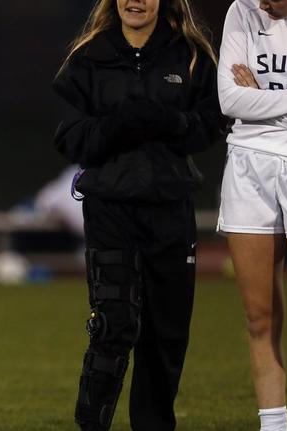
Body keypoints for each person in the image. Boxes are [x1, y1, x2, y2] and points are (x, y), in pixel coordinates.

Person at [52, 0, 224, 429]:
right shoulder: (86, 59)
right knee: (113, 326)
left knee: (167, 333)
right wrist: (119, 125)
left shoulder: (191, 55)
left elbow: (210, 125)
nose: (136, 1)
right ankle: (92, 424)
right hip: (110, 208)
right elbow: (70, 138)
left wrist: (168, 122)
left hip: (170, 207)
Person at [218, 0, 287, 429]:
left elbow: (248, 102)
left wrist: (262, 99)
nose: (262, 2)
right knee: (259, 315)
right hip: (247, 166)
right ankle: (273, 425)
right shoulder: (243, 11)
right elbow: (229, 99)